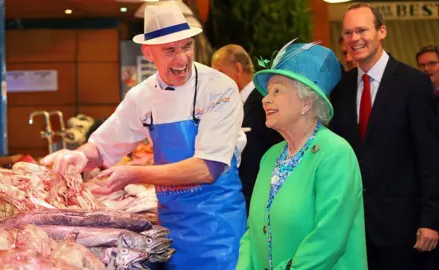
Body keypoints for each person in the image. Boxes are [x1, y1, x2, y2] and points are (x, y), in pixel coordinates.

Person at [41, 2, 247, 270]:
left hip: (218, 228)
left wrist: (134, 174)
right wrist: (78, 156)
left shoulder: (219, 88)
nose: (182, 58)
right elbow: (103, 147)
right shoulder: (142, 96)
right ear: (148, 53)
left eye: (186, 46)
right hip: (170, 227)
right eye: (170, 50)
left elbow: (207, 168)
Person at [236, 40, 368, 270]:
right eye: (268, 93)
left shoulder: (335, 153)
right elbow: (253, 231)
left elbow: (329, 238)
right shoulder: (270, 156)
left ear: (306, 102)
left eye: (277, 91)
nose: (266, 99)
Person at [329, 3, 439, 270]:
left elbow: (430, 157)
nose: (354, 38)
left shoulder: (413, 83)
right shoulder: (340, 88)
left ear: (382, 31)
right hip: (353, 227)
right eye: (348, 33)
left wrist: (431, 220)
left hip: (404, 229)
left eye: (362, 30)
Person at [211, 44, 283, 214]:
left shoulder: (264, 99)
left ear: (237, 68)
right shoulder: (230, 102)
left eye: (219, 73)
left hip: (260, 195)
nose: (215, 81)